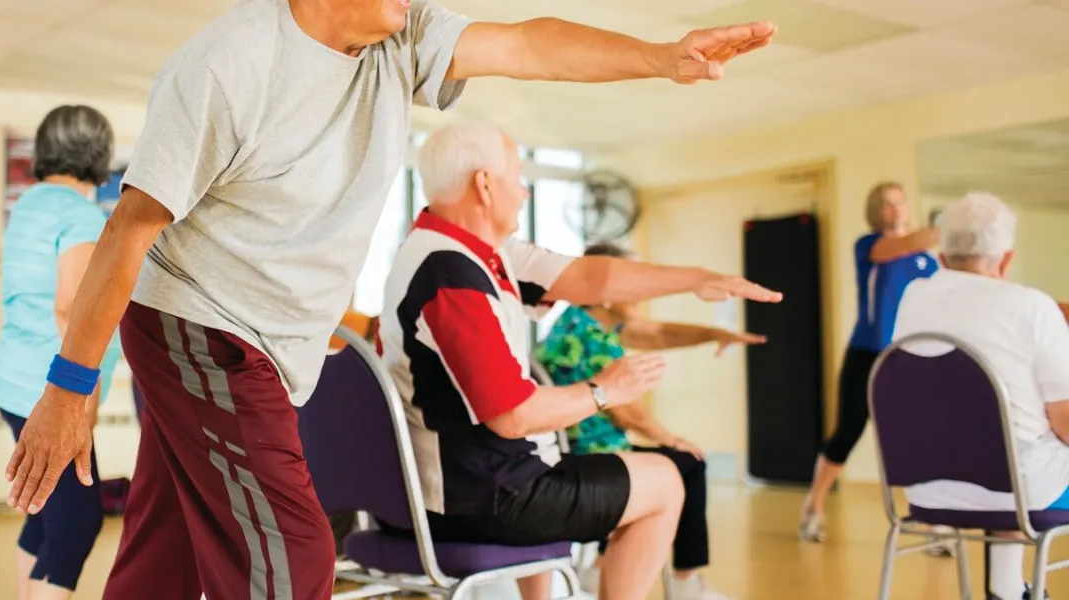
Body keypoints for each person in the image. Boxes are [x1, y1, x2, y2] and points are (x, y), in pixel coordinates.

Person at [2, 1, 777, 597]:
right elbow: (129, 230)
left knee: (168, 542)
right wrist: (69, 388)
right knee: (293, 553)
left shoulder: (399, 35)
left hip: (265, 339)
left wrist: (661, 58)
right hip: (199, 326)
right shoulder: (225, 66)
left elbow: (528, 44)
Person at [376, 123, 780, 600]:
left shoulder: (466, 252)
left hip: (446, 490)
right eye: (518, 177)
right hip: (477, 500)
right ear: (485, 184)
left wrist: (696, 279)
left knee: (561, 459)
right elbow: (513, 415)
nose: (524, 192)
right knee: (668, 482)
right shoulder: (452, 275)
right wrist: (606, 390)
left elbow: (592, 278)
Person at [534, 242, 765, 600]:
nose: (641, 294)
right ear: (607, 293)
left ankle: (601, 568)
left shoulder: (580, 323)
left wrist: (714, 334)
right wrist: (672, 439)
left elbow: (658, 333)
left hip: (581, 449)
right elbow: (624, 410)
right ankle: (687, 583)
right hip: (589, 457)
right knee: (689, 463)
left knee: (676, 460)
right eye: (634, 283)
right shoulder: (591, 338)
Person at [892, 193, 1069, 600]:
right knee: (1022, 451)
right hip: (1019, 490)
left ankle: (1006, 589)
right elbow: (1064, 422)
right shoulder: (1031, 307)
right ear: (1005, 260)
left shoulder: (912, 299)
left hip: (925, 490)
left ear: (941, 256)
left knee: (1004, 444)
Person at [0, 105, 118, 600]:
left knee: (45, 510)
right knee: (78, 522)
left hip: (12, 379)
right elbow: (71, 309)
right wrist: (83, 402)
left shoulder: (32, 204)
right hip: (48, 388)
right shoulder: (81, 214)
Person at [799, 181, 939, 543]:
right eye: (887, 203)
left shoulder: (927, 261)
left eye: (899, 202)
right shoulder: (870, 246)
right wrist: (947, 231)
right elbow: (898, 246)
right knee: (848, 430)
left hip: (909, 356)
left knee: (921, 434)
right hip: (867, 353)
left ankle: (934, 518)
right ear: (876, 210)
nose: (895, 209)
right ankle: (814, 504)